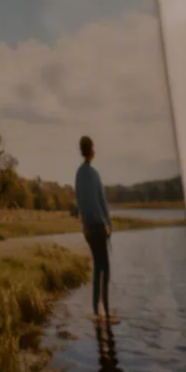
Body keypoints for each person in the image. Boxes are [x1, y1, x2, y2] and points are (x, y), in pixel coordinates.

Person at [74, 135, 114, 322]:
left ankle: (96, 310)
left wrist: (85, 226)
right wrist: (108, 225)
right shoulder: (94, 174)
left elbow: (81, 202)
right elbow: (101, 202)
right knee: (105, 268)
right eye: (94, 148)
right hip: (98, 226)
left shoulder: (79, 174)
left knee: (97, 267)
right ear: (91, 151)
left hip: (88, 229)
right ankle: (105, 310)